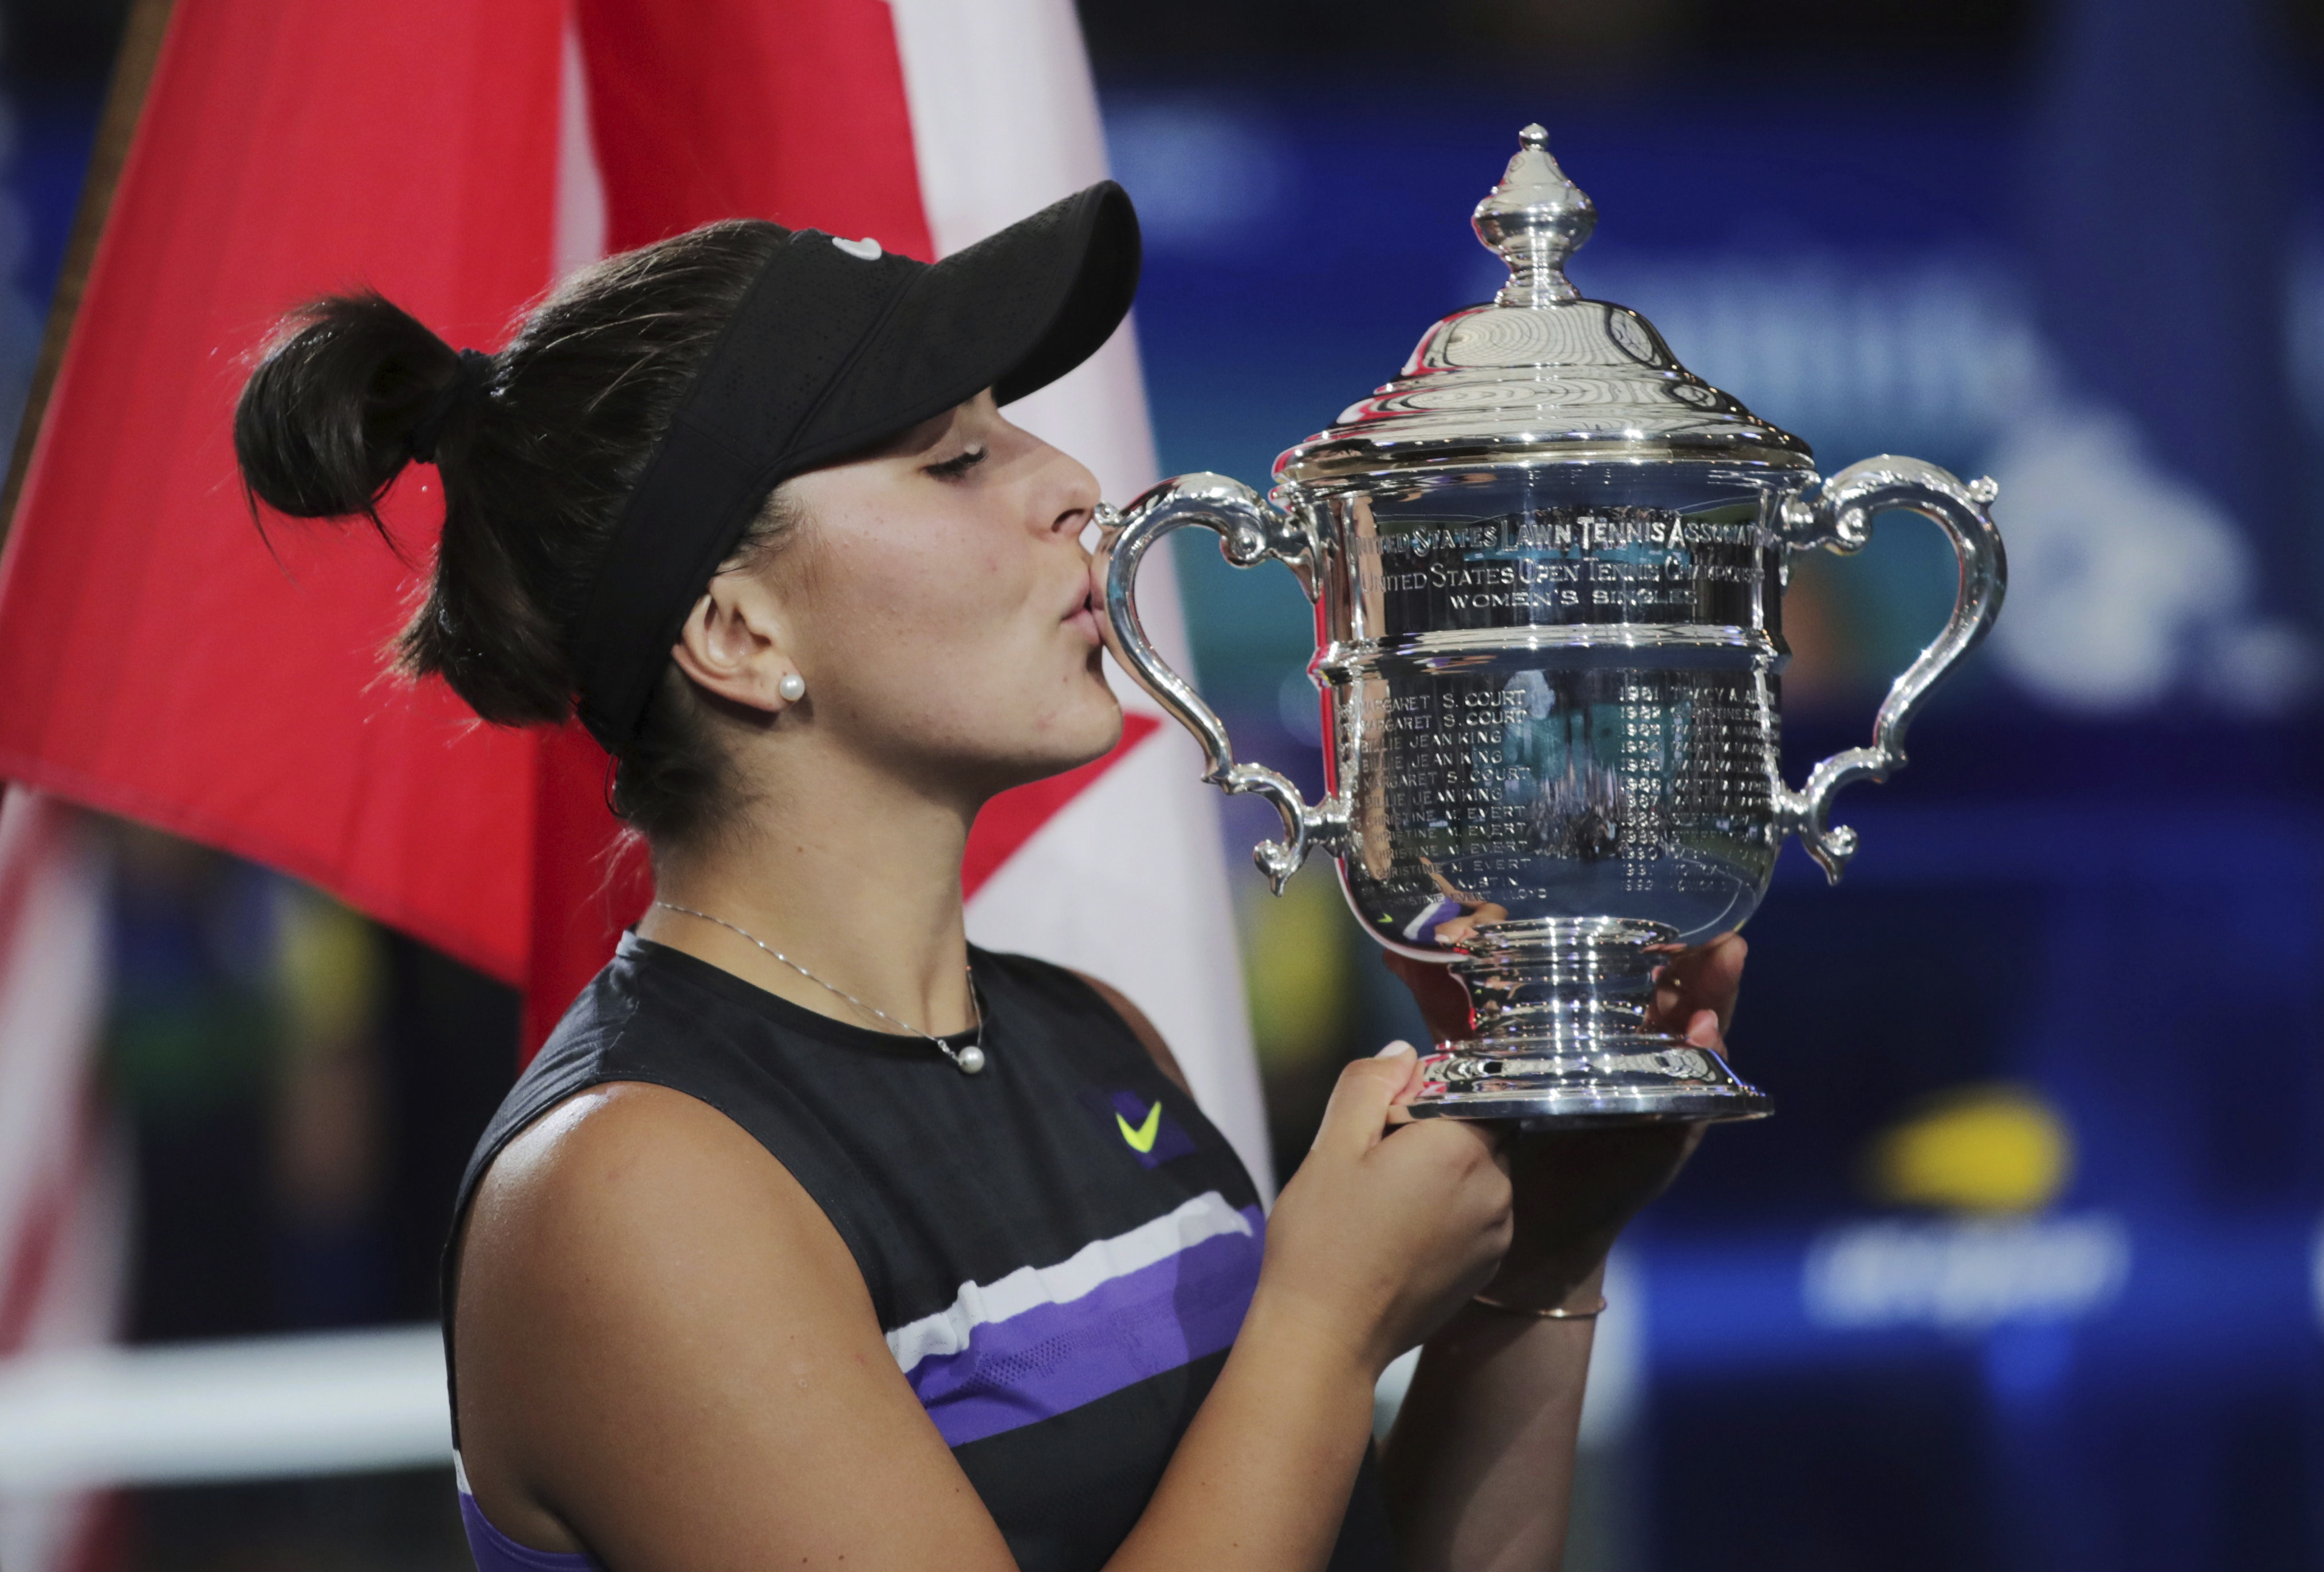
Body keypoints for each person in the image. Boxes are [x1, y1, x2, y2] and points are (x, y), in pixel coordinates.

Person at [232, 182, 1745, 1572]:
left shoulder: (1091, 1036)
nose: (1073, 482)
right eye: (955, 456)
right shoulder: (633, 1191)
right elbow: (1301, 1381)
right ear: (740, 637)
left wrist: (1534, 1266)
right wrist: (1319, 1328)